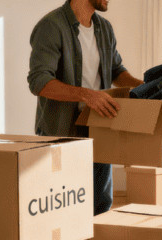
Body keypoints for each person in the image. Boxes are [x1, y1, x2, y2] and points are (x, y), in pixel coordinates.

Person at [27, 0, 144, 216]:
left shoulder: (104, 28)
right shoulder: (51, 26)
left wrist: (142, 86)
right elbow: (39, 81)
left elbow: (116, 69)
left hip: (100, 127)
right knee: (64, 206)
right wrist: (86, 95)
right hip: (62, 132)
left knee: (99, 205)